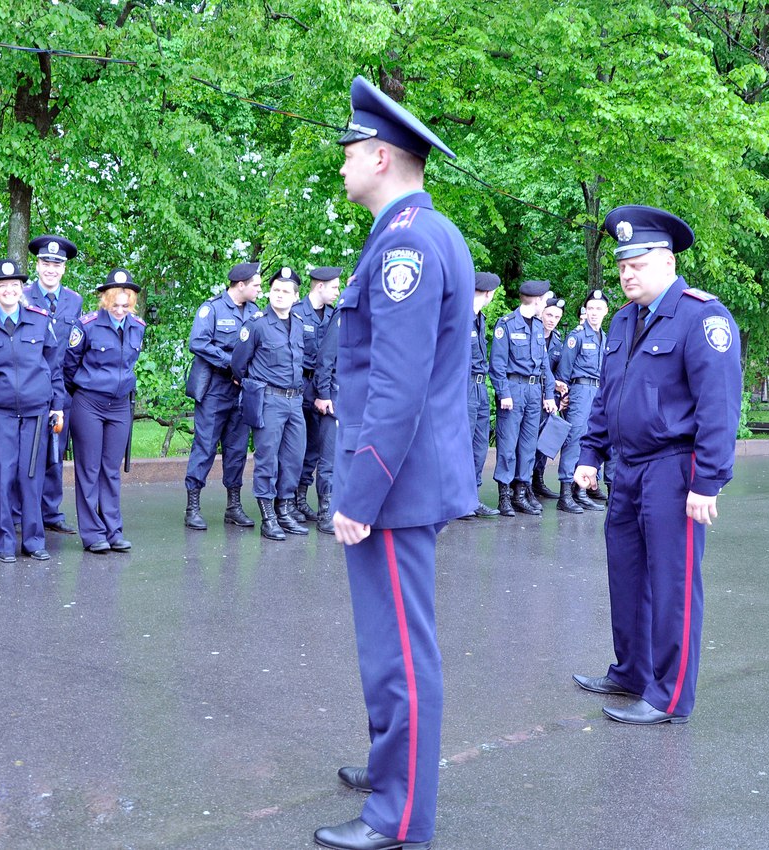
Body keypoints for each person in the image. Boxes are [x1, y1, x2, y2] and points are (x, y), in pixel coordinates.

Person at [317, 75, 476, 850]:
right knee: (392, 646)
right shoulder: (421, 230)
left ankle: (400, 816)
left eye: (348, 149)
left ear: (381, 156)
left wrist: (361, 491)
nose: (341, 162)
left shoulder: (407, 242)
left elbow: (397, 385)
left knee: (399, 654)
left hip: (396, 481)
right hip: (407, 477)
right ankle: (393, 769)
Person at [572, 205, 742, 725]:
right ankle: (631, 671)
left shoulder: (702, 317)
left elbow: (719, 406)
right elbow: (607, 396)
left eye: (638, 263)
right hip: (628, 468)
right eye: (622, 263)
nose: (627, 273)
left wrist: (707, 481)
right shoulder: (623, 320)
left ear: (667, 263)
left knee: (672, 584)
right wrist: (589, 454)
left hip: (676, 468)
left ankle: (669, 696)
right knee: (626, 575)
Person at [0, 259, 66, 563]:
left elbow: (54, 368)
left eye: (15, 286)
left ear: (21, 289)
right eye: (3, 286)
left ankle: (34, 540)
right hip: (0, 413)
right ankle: (5, 542)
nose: (9, 290)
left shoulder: (39, 320)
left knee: (31, 475)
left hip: (37, 411)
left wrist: (58, 407)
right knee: (3, 475)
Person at [63, 269, 146, 554]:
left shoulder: (138, 326)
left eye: (126, 305)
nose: (120, 310)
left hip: (120, 405)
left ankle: (113, 531)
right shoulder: (85, 326)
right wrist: (85, 391)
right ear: (105, 300)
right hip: (88, 403)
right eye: (115, 304)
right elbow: (69, 366)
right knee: (89, 469)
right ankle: (92, 534)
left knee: (111, 470)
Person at [231, 267, 308, 540]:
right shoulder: (257, 323)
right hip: (270, 400)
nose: (279, 295)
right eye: (275, 290)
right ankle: (268, 517)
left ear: (296, 297)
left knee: (294, 458)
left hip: (294, 402)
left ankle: (285, 510)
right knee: (267, 460)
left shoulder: (298, 323)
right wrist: (255, 386)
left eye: (286, 291)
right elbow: (238, 364)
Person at [183, 261, 262, 530]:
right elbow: (198, 342)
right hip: (215, 389)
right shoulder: (212, 308)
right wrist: (232, 362)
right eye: (256, 285)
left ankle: (233, 506)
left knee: (237, 449)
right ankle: (192, 506)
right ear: (241, 285)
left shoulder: (255, 312)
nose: (260, 290)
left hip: (241, 391)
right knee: (204, 447)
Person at [23, 235, 84, 535]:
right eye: (46, 262)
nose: (51, 269)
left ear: (64, 269)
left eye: (57, 264)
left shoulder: (74, 300)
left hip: (61, 388)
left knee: (56, 451)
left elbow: (74, 347)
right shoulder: (20, 295)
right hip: (28, 385)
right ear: (37, 265)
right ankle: (23, 511)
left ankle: (50, 511)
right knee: (28, 451)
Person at [488, 280, 558, 517]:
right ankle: (505, 494)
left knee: (528, 445)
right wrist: (503, 392)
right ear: (537, 301)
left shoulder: (538, 326)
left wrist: (549, 394)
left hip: (533, 392)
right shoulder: (506, 324)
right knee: (508, 444)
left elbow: (545, 365)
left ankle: (521, 491)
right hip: (513, 389)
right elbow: (496, 363)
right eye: (544, 300)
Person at [292, 266, 342, 533]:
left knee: (315, 448)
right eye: (334, 287)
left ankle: (302, 499)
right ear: (319, 286)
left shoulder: (333, 315)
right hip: (302, 386)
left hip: (324, 387)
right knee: (296, 449)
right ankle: (289, 501)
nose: (338, 291)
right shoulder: (298, 312)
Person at [555, 288, 609, 513]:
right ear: (585, 311)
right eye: (590, 309)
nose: (594, 313)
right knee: (575, 440)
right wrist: (562, 397)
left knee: (593, 440)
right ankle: (565, 493)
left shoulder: (605, 338)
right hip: (579, 392)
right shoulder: (576, 336)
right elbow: (563, 373)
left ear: (606, 311)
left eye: (598, 309)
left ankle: (581, 491)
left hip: (598, 393)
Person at [462, 271, 501, 518]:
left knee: (478, 446)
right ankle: (457, 501)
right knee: (462, 445)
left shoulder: (479, 318)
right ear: (488, 293)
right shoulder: (460, 316)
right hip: (463, 387)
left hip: (479, 387)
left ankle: (471, 498)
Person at [531, 295, 568, 502]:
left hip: (549, 398)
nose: (552, 319)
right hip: (531, 393)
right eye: (549, 314)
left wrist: (561, 390)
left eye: (557, 316)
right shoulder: (531, 332)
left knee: (545, 441)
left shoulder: (557, 341)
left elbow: (558, 371)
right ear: (542, 314)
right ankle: (519, 484)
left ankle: (538, 480)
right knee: (526, 441)